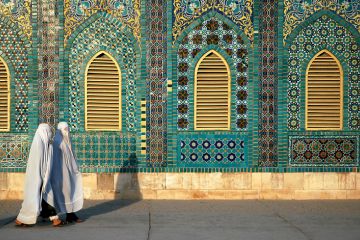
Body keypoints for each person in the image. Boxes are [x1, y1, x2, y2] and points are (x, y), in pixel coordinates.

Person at [15, 123, 62, 227]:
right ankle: (53, 218)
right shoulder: (39, 145)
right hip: (38, 177)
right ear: (44, 132)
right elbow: (38, 164)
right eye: (48, 131)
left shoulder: (45, 144)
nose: (50, 134)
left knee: (40, 196)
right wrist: (42, 177)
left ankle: (22, 219)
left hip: (42, 177)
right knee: (38, 197)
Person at [43, 122, 83, 223]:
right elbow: (55, 160)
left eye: (67, 129)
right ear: (60, 130)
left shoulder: (66, 140)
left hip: (68, 174)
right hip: (59, 174)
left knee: (69, 193)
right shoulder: (57, 141)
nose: (67, 131)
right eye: (65, 129)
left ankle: (70, 215)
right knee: (61, 194)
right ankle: (55, 215)